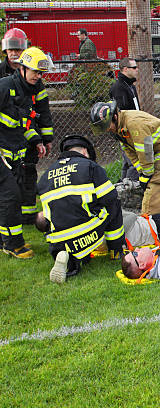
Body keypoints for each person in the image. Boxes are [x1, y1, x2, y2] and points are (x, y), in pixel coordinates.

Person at [36, 135, 125, 283]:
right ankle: (116, 250)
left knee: (70, 219)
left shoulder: (45, 176)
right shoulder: (90, 167)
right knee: (113, 205)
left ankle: (69, 260)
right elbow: (110, 198)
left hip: (57, 240)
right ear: (84, 152)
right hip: (85, 233)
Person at [0, 47, 51, 258]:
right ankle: (13, 244)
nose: (38, 77)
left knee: (10, 196)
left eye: (41, 73)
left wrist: (38, 141)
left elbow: (23, 124)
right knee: (11, 196)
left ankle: (6, 240)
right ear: (22, 68)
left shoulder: (28, 91)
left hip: (13, 154)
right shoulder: (5, 86)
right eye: (35, 72)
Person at [90, 101, 160, 215]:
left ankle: (149, 223)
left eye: (107, 125)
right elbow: (130, 152)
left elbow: (145, 151)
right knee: (159, 193)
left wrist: (147, 175)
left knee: (154, 189)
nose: (107, 129)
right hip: (156, 150)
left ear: (115, 116)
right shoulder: (119, 127)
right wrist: (141, 172)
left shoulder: (133, 123)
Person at [110, 57, 140, 182]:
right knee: (134, 162)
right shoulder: (119, 88)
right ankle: (131, 190)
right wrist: (125, 134)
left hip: (134, 128)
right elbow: (121, 114)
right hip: (127, 132)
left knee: (128, 162)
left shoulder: (130, 85)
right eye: (134, 67)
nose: (137, 70)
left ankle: (123, 187)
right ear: (125, 69)